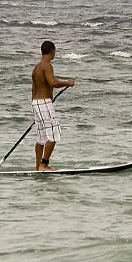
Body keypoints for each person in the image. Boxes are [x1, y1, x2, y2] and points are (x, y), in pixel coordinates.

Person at [31, 41, 76, 171]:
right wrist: (67, 82)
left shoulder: (36, 67)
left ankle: (38, 167)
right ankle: (44, 165)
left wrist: (36, 107)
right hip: (44, 103)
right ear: (51, 51)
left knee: (41, 138)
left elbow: (33, 89)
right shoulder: (47, 66)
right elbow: (52, 82)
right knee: (54, 134)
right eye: (55, 52)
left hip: (36, 103)